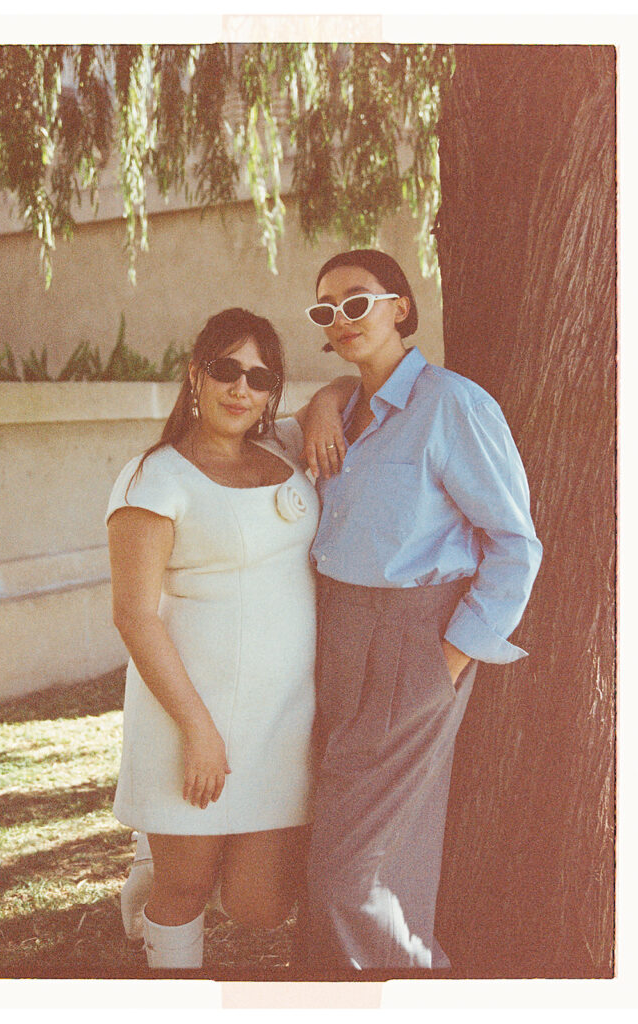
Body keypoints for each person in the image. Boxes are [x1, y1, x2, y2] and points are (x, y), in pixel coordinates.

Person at [294, 248, 543, 972]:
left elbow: (513, 545)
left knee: (348, 878)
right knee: (352, 860)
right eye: (326, 309)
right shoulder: (338, 410)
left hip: (413, 642)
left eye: (357, 301)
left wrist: (451, 655)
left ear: (399, 307)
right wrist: (318, 400)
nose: (342, 319)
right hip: (335, 639)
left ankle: (420, 991)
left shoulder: (454, 404)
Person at [106, 308, 318, 970]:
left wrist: (333, 403)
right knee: (188, 886)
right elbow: (135, 615)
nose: (240, 389)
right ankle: (166, 936)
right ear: (195, 376)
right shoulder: (154, 477)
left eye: (259, 377)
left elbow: (339, 395)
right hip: (191, 716)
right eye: (226, 370)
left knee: (261, 906)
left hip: (284, 717)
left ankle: (154, 855)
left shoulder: (281, 451)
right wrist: (198, 731)